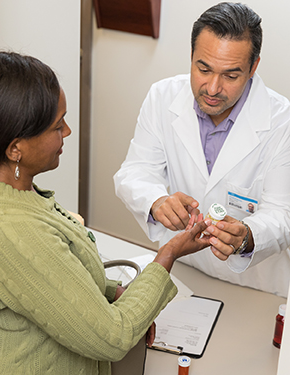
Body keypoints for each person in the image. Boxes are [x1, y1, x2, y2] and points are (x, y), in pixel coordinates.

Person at [0, 51, 212, 375]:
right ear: (15, 149)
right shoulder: (12, 230)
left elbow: (54, 280)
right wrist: (168, 254)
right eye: (56, 126)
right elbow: (112, 337)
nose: (67, 132)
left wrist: (116, 292)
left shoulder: (20, 194)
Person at [114, 2, 290, 298]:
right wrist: (157, 201)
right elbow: (135, 171)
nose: (212, 87)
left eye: (231, 76)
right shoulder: (162, 97)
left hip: (254, 284)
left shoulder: (282, 121)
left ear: (253, 67)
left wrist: (246, 237)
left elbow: (282, 214)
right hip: (182, 267)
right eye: (203, 69)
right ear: (192, 56)